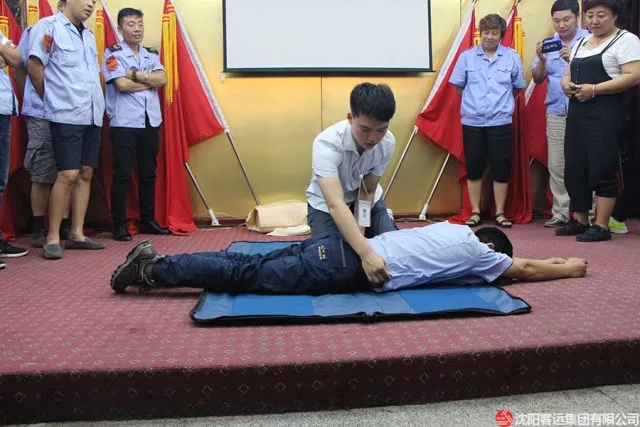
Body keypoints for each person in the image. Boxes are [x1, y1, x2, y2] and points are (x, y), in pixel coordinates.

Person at [109, 222, 588, 295]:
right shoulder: (478, 255)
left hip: (341, 246)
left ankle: (154, 264)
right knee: (243, 276)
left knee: (245, 265)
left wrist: (553, 258)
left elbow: (522, 261)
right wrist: (569, 268)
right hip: (345, 267)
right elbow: (523, 268)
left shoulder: (453, 229)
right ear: (491, 251)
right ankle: (152, 268)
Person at [28, 0, 106, 259]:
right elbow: (35, 66)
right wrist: (51, 100)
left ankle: (77, 234)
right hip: (65, 114)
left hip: (92, 113)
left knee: (86, 173)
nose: (90, 4)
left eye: (94, 1)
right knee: (67, 174)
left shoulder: (89, 35)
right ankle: (52, 237)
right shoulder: (49, 27)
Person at [557, 0, 640, 242]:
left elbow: (634, 75)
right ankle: (580, 220)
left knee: (602, 167)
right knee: (575, 168)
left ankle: (601, 224)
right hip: (577, 114)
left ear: (615, 16)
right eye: (590, 15)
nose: (594, 21)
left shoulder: (626, 40)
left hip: (606, 115)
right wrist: (565, 84)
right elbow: (568, 72)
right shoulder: (581, 42)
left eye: (601, 15)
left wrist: (595, 89)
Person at [304, 82, 397, 285]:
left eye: (381, 130)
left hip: (365, 201)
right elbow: (335, 204)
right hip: (327, 206)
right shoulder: (327, 143)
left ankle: (382, 221)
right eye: (365, 129)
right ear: (350, 118)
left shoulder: (387, 142)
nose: (373, 138)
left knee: (395, 254)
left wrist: (360, 241)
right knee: (333, 263)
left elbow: (367, 193)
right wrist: (365, 252)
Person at [449, 13, 527, 229]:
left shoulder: (511, 57)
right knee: (474, 167)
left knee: (501, 168)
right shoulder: (466, 57)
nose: (489, 37)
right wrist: (475, 105)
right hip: (472, 122)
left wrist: (500, 106)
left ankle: (500, 212)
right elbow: (458, 87)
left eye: (494, 33)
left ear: (501, 35)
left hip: (500, 122)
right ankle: (475, 211)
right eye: (486, 32)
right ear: (480, 33)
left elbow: (517, 88)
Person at [102, 8, 170, 241]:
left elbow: (163, 79)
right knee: (122, 173)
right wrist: (150, 82)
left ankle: (148, 220)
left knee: (148, 173)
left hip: (150, 120)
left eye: (140, 24)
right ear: (120, 29)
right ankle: (119, 223)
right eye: (131, 24)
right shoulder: (113, 53)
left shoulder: (150, 54)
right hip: (125, 122)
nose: (137, 29)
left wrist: (139, 76)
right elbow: (121, 85)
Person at [15, 1, 71, 248]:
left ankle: (64, 225)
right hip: (42, 112)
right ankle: (38, 227)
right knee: (42, 170)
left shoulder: (82, 35)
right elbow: (21, 69)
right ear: (62, 5)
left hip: (70, 113)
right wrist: (35, 97)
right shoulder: (38, 30)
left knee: (68, 169)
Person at [531, 0, 590, 228]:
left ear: (577, 17)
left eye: (566, 19)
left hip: (585, 111)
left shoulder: (590, 41)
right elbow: (537, 78)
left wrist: (571, 61)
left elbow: (597, 75)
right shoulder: (549, 44)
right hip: (556, 111)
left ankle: (589, 213)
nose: (561, 25)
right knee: (557, 165)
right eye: (556, 20)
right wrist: (542, 60)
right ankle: (560, 213)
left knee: (587, 162)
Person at [0, 29, 29, 270]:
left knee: (0, 182)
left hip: (3, 108)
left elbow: (17, 58)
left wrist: (5, 53)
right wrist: (4, 51)